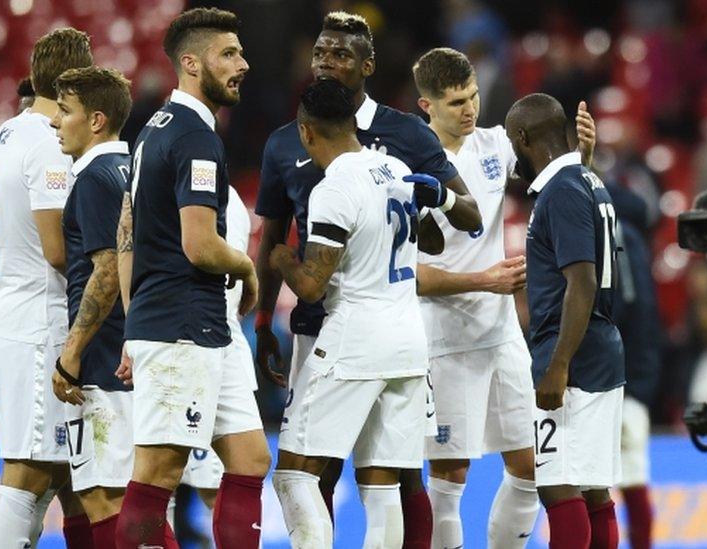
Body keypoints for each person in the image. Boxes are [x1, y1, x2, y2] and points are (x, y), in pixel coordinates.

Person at [254, 14, 484, 546]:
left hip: (349, 328)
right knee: (376, 478)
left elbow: (298, 268)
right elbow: (422, 237)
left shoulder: (397, 137)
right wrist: (266, 319)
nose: (327, 62)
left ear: (368, 65)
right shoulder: (376, 165)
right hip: (388, 332)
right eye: (320, 52)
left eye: (340, 54)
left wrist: (285, 262)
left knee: (310, 473)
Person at [410, 47, 596, 548]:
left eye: (472, 96)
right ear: (427, 106)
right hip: (442, 338)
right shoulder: (409, 168)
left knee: (531, 463)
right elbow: (409, 275)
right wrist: (483, 281)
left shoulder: (495, 144)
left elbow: (557, 180)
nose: (469, 110)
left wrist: (585, 154)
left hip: (502, 336)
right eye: (454, 103)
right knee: (450, 474)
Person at [113, 8, 269, 548]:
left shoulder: (154, 128)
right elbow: (199, 244)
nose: (242, 64)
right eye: (228, 53)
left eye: (240, 52)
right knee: (157, 474)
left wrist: (134, 325)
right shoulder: (195, 136)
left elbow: (127, 237)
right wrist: (247, 265)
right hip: (183, 324)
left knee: (250, 456)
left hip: (194, 325)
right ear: (190, 62)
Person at [270, 78, 429, 549]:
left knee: (295, 474)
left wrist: (283, 259)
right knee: (382, 486)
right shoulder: (396, 168)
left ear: (305, 131)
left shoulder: (334, 187)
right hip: (407, 337)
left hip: (355, 336)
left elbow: (313, 287)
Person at [0, 27, 94, 548]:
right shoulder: (49, 143)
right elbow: (55, 249)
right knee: (28, 471)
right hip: (41, 320)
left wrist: (10, 281)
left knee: (69, 471)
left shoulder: (2, 135)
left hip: (12, 310)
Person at [507, 93, 625, 549]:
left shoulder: (561, 192)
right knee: (593, 487)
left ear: (522, 138)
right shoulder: (589, 181)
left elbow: (582, 282)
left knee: (556, 485)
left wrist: (557, 365)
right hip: (598, 348)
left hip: (573, 353)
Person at [47, 65, 135, 546]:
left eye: (65, 111)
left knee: (106, 498)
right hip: (125, 348)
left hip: (103, 356)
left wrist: (72, 353)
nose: (56, 122)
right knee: (127, 499)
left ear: (96, 120)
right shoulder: (129, 170)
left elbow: (105, 271)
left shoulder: (96, 179)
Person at [177, 183, 258, 514]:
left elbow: (204, 256)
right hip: (200, 345)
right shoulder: (230, 196)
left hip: (205, 348)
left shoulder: (216, 196)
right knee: (159, 478)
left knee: (217, 484)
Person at [608, 182, 660, 549]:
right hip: (633, 372)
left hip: (620, 376)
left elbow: (621, 304)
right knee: (631, 474)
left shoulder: (618, 234)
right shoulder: (638, 240)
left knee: (596, 482)